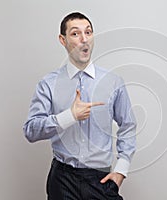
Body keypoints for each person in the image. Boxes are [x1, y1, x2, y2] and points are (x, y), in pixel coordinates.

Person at [23, 12, 136, 200]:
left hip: (100, 180)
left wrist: (121, 171)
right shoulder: (48, 84)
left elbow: (128, 125)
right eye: (75, 34)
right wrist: (70, 116)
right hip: (62, 180)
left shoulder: (113, 82)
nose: (84, 39)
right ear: (63, 39)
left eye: (88, 32)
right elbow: (31, 131)